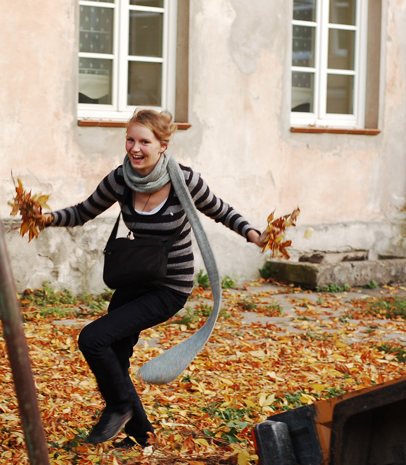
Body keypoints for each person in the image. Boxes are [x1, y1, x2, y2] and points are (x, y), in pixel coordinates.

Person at [44, 109, 267, 448]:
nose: (135, 148)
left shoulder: (183, 181)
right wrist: (46, 218)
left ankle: (119, 407)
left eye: (144, 142)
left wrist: (252, 233)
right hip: (135, 279)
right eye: (130, 140)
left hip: (169, 287)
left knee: (92, 339)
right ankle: (140, 435)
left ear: (162, 145)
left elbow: (221, 210)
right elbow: (81, 212)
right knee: (114, 355)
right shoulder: (121, 179)